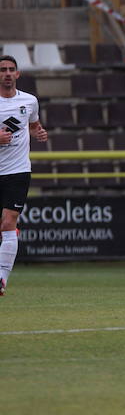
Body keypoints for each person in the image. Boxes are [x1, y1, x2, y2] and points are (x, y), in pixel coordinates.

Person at [0, 55, 48, 296]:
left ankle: (1, 279)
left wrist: (38, 133)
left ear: (17, 74)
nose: (7, 73)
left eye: (11, 70)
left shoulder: (30, 101)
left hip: (18, 171)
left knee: (9, 222)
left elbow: (32, 125)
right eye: (3, 70)